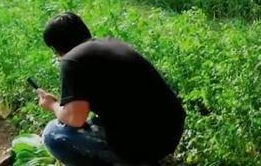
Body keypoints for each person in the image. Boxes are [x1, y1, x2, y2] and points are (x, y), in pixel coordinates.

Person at [37, 12, 185, 165]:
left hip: (146, 143)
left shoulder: (72, 60)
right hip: (171, 129)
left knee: (53, 134)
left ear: (56, 48)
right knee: (95, 121)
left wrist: (53, 105)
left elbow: (76, 119)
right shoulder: (112, 44)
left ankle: (135, 160)